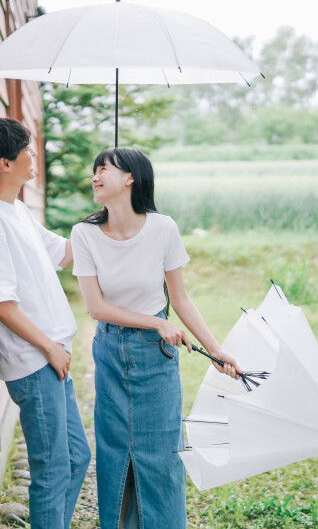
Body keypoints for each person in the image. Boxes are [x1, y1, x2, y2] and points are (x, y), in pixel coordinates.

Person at [70, 147, 242, 529]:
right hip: (111, 349)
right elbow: (95, 307)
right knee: (116, 453)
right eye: (94, 170)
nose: (95, 176)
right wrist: (154, 322)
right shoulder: (84, 233)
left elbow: (180, 299)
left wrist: (216, 351)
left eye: (104, 169)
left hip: (156, 356)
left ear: (130, 177)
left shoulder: (163, 228)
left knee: (162, 455)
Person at [0, 118, 91, 529]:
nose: (33, 155)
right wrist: (49, 347)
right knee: (54, 468)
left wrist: (115, 211)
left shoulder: (15, 209)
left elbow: (64, 253)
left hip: (50, 355)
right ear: (5, 163)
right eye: (27, 149)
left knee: (76, 457)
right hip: (35, 359)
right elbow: (1, 303)